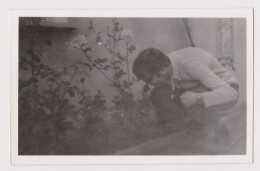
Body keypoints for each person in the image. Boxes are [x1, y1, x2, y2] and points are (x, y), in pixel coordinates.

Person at [133, 47, 239, 138]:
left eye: (147, 79)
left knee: (188, 100)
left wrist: (198, 98)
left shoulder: (191, 64)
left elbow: (232, 94)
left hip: (226, 88)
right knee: (158, 94)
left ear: (161, 71)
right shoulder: (165, 65)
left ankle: (219, 129)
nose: (147, 83)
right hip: (196, 87)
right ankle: (196, 128)